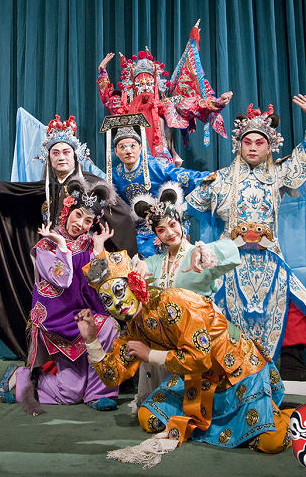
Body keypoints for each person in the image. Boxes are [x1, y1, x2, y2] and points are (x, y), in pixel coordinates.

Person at [76, 250, 295, 468]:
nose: (117, 303)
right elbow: (112, 375)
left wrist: (150, 354)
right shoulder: (134, 329)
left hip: (236, 369)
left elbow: (200, 357)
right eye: (107, 300)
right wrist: (91, 339)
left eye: (119, 291)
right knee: (148, 417)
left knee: (271, 442)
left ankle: (286, 416)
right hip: (196, 378)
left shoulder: (174, 301)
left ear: (133, 283)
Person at [186, 95, 306, 396]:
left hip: (270, 259)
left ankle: (292, 366)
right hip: (229, 262)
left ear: (269, 147)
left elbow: (304, 160)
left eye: (260, 143)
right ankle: (221, 367)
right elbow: (189, 206)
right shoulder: (221, 180)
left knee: (295, 308)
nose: (253, 147)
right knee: (218, 312)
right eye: (248, 142)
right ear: (238, 145)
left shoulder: (277, 173)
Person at [0, 114, 136, 358]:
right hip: (52, 262)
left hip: (82, 262)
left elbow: (122, 216)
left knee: (91, 317)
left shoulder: (92, 184)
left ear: (75, 156)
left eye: (66, 152)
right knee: (52, 312)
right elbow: (16, 197)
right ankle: (51, 364)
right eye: (56, 153)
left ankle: (95, 367)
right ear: (49, 158)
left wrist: (124, 251)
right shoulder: (45, 188)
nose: (61, 157)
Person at [0, 181, 120, 413]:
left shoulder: (88, 243)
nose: (80, 224)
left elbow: (99, 281)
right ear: (67, 211)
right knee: (70, 394)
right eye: (78, 215)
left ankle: (99, 393)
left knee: (109, 326)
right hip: (58, 319)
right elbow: (62, 279)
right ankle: (23, 377)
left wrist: (99, 248)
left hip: (83, 314)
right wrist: (62, 246)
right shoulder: (46, 245)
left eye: (88, 221)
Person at [130, 182, 240, 406]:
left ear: (181, 223)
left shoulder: (198, 252)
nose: (169, 233)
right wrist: (136, 265)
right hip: (168, 335)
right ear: (156, 235)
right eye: (161, 230)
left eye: (172, 225)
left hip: (200, 332)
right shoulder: (155, 262)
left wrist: (203, 251)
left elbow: (232, 251)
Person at [97, 25, 233, 165]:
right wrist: (102, 72)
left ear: (155, 85)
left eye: (149, 83)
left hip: (161, 163)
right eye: (140, 84)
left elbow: (195, 104)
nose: (145, 87)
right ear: (134, 87)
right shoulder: (125, 107)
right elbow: (108, 98)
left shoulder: (167, 105)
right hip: (133, 163)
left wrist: (217, 102)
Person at [105, 117, 211, 257]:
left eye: (132, 146)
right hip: (138, 228)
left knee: (150, 251)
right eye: (122, 147)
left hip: (167, 221)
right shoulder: (114, 174)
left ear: (140, 147)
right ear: (116, 151)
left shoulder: (156, 165)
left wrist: (208, 177)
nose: (128, 151)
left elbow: (184, 175)